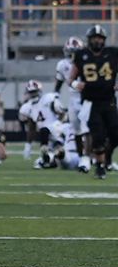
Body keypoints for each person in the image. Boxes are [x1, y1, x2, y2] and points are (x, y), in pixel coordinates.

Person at [69, 25, 118, 179]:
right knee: (98, 136)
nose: (97, 40)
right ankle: (100, 166)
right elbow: (70, 78)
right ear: (89, 40)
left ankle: (107, 158)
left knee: (116, 135)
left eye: (100, 38)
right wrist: (75, 84)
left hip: (109, 100)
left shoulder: (113, 53)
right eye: (95, 38)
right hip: (91, 103)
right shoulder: (81, 55)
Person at [55, 36, 88, 168]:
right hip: (73, 100)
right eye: (70, 51)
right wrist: (55, 97)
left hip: (88, 98)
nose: (72, 54)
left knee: (91, 130)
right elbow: (58, 84)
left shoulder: (87, 61)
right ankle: (82, 158)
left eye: (74, 51)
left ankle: (96, 158)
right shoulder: (62, 65)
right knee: (77, 130)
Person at [18, 80, 66, 169]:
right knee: (42, 159)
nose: (33, 94)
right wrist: (28, 145)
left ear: (39, 91)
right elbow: (31, 127)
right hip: (45, 136)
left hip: (57, 130)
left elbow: (62, 114)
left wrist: (58, 125)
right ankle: (51, 158)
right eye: (31, 92)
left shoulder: (49, 98)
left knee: (64, 155)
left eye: (34, 92)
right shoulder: (27, 107)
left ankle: (52, 156)